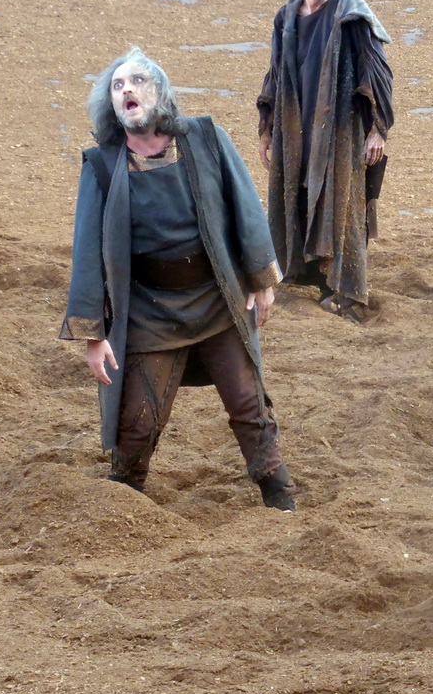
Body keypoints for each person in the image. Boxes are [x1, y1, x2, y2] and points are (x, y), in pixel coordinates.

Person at [60, 47, 296, 511]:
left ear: (160, 92)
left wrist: (260, 279)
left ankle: (279, 496)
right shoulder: (103, 165)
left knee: (249, 405)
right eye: (117, 86)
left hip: (217, 300)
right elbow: (86, 250)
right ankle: (125, 501)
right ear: (112, 106)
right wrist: (93, 334)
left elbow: (245, 205)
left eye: (138, 81)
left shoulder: (205, 138)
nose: (127, 89)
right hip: (149, 311)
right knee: (140, 421)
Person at [257, 0, 394, 323]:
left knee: (342, 202)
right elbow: (274, 74)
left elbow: (379, 73)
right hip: (295, 125)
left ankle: (350, 293)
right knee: (297, 195)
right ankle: (310, 272)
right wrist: (267, 130)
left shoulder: (349, 14)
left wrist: (377, 130)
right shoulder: (286, 19)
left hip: (339, 127)